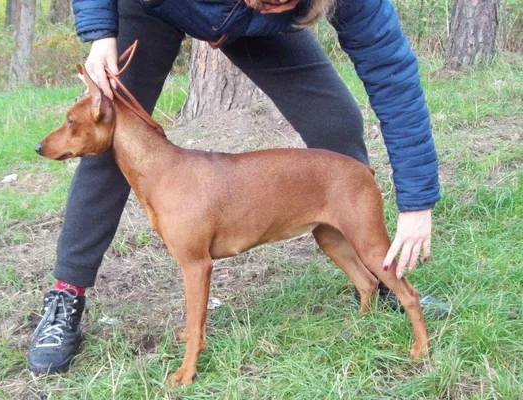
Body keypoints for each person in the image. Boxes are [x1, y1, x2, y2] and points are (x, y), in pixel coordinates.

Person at [27, 0, 450, 375]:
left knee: (336, 120)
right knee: (110, 142)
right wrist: (101, 34)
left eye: (283, 0)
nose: (268, 4)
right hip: (154, 7)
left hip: (250, 27)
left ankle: (377, 268)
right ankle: (67, 295)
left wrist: (416, 201)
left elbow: (392, 74)